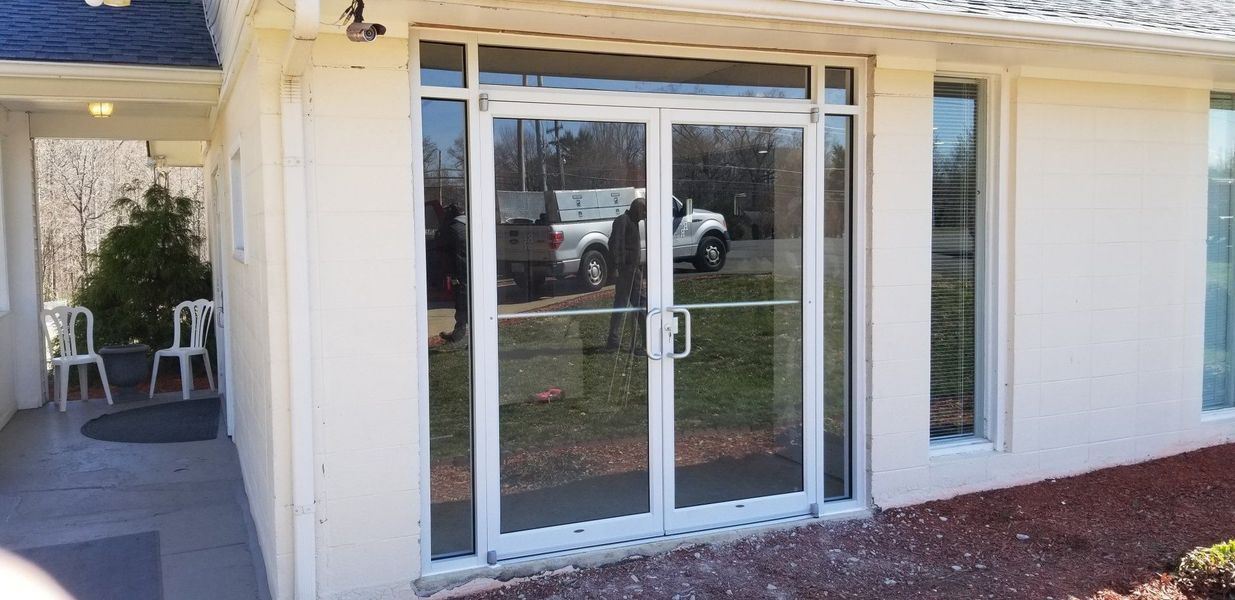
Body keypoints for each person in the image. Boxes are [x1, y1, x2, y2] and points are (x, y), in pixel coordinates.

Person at [606, 197, 647, 350]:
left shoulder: (633, 222)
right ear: (637, 209)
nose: (644, 217)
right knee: (638, 304)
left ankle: (613, 340)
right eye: (643, 213)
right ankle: (645, 342)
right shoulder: (623, 221)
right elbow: (615, 244)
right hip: (627, 271)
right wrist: (618, 267)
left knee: (623, 304)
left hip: (633, 270)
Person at [437, 202, 469, 343]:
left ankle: (460, 333)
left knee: (462, 302)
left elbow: (442, 248)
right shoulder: (470, 225)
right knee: (471, 302)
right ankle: (464, 334)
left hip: (460, 271)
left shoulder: (452, 229)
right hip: (472, 270)